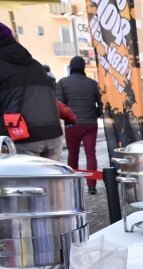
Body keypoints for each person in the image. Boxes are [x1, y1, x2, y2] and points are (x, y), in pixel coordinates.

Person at [0, 22, 63, 160]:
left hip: (23, 136)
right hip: (53, 133)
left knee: (25, 181)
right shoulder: (36, 64)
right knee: (51, 181)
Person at [56, 56, 103, 194]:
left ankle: (73, 185)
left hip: (72, 125)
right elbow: (100, 104)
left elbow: (60, 105)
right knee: (90, 154)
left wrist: (67, 118)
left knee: (73, 154)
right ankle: (92, 186)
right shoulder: (93, 84)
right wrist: (96, 114)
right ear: (83, 68)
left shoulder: (63, 83)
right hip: (90, 124)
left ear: (71, 67)